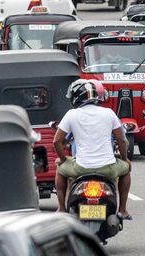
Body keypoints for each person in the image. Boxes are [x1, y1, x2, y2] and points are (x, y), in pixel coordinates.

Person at [53, 79, 132, 219]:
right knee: (126, 169)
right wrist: (125, 159)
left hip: (81, 167)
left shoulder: (71, 114)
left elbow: (57, 141)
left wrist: (63, 160)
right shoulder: (109, 113)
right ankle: (123, 209)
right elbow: (122, 140)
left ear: (76, 97)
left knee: (60, 170)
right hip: (109, 168)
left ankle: (61, 209)